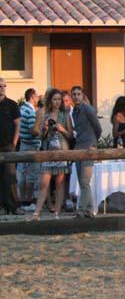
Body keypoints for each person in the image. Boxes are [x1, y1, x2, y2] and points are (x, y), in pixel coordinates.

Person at [28, 89, 73, 221]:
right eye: (55, 99)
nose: (57, 102)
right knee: (44, 183)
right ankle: (37, 212)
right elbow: (40, 136)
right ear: (50, 100)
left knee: (60, 183)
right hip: (48, 151)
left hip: (62, 150)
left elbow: (70, 135)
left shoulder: (65, 115)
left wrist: (62, 129)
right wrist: (46, 128)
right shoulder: (44, 114)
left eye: (59, 99)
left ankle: (57, 213)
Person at [70, 86, 103, 218]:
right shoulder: (74, 112)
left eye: (78, 94)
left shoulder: (88, 109)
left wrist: (93, 143)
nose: (76, 96)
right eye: (74, 94)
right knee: (83, 182)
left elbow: (98, 128)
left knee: (84, 181)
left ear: (83, 95)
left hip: (89, 147)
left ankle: (81, 210)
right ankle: (90, 210)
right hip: (79, 147)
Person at [0, 78, 22, 215]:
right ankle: (2, 207)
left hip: (8, 146)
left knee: (10, 177)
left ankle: (14, 206)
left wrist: (14, 142)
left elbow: (18, 124)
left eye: (4, 86)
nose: (2, 88)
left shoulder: (12, 104)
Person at [17, 88, 40, 212]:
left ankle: (23, 200)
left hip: (24, 144)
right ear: (32, 96)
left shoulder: (22, 109)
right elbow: (33, 131)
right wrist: (43, 128)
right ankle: (28, 201)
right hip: (31, 146)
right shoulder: (30, 112)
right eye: (36, 96)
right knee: (31, 175)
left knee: (23, 173)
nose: (38, 98)